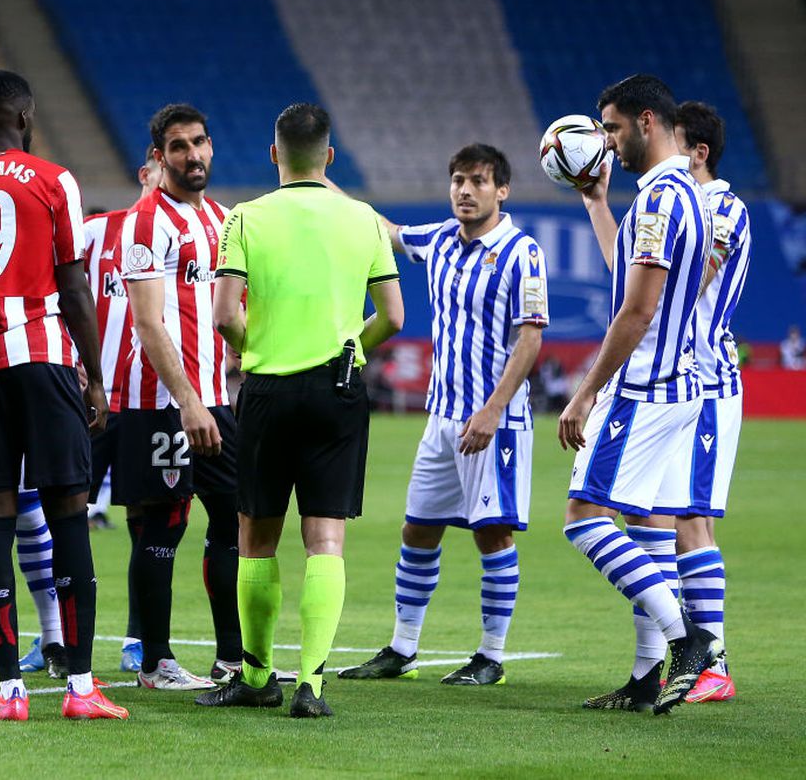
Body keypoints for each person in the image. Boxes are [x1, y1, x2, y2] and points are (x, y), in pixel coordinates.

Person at [0, 69, 127, 721]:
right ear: (26, 118)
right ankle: (81, 688)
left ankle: (9, 693)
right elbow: (74, 288)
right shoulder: (53, 181)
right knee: (68, 516)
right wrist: (94, 376)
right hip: (45, 360)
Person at [196, 103, 403, 717]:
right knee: (326, 540)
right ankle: (311, 683)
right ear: (330, 157)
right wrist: (348, 352)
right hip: (338, 393)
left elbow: (225, 314)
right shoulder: (363, 219)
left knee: (255, 538)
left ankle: (257, 675)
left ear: (274, 154)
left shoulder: (245, 218)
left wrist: (259, 347)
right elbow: (393, 317)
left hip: (267, 391)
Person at [340, 144, 549, 687]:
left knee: (493, 534)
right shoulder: (439, 240)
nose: (465, 190)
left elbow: (529, 341)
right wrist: (321, 187)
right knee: (418, 529)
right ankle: (403, 647)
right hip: (442, 419)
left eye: (478, 181)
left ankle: (491, 656)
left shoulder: (522, 252)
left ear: (501, 190)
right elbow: (381, 228)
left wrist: (493, 408)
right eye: (458, 179)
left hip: (493, 420)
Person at [560, 74, 722, 715]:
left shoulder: (658, 201)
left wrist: (584, 392)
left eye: (613, 128)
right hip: (681, 384)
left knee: (584, 520)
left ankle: (689, 639)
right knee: (648, 531)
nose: (606, 141)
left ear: (647, 122)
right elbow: (630, 275)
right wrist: (597, 202)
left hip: (645, 387)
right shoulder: (680, 193)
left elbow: (636, 311)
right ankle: (647, 673)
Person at [116, 103, 242, 691]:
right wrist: (187, 401)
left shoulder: (220, 218)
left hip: (217, 398)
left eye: (199, 142)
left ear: (211, 146)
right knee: (162, 527)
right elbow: (148, 322)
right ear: (158, 157)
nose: (192, 155)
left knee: (235, 520)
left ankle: (233, 658)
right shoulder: (146, 223)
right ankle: (155, 661)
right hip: (162, 402)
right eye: (178, 146)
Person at [661, 101, 750, 704]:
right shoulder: (682, 204)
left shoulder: (722, 207)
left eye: (674, 143)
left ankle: (713, 659)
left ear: (698, 152)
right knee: (667, 523)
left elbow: (690, 279)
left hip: (708, 380)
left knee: (693, 519)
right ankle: (688, 657)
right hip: (678, 380)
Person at [75, 143, 163, 673]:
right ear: (145, 173)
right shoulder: (95, 232)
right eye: (162, 168)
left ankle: (139, 636)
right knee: (58, 516)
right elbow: (54, 289)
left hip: (151, 402)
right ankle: (58, 635)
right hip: (90, 399)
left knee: (146, 522)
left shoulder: (197, 235)